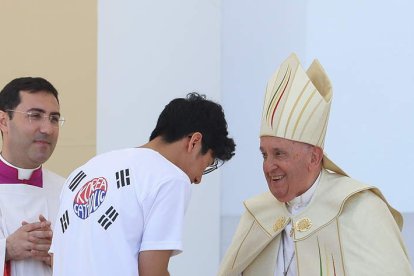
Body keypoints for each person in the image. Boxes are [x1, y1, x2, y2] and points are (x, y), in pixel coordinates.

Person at [219, 53, 413, 275]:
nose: (268, 166)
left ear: (314, 158)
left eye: (279, 154)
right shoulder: (258, 214)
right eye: (264, 155)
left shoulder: (362, 209)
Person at [50, 92, 236, 275]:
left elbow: (57, 258)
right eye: (206, 165)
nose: (198, 179)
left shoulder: (84, 171)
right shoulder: (171, 178)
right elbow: (151, 272)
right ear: (194, 142)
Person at [0, 77, 66, 276]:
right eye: (35, 115)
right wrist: (7, 249)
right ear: (3, 121)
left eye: (54, 118)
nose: (47, 129)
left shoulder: (68, 191)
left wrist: (62, 258)